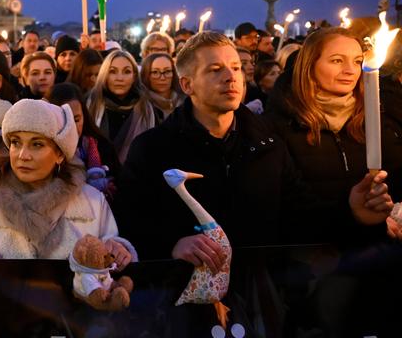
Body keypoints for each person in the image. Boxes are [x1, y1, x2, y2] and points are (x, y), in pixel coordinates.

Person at [115, 31, 393, 261]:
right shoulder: (153, 149)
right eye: (215, 70)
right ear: (187, 84)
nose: (231, 77)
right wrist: (171, 246)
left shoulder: (267, 144)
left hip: (261, 295)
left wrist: (351, 212)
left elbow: (300, 217)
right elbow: (130, 222)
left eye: (236, 68)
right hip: (183, 300)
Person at [0, 99, 137, 277]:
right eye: (15, 142)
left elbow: (112, 261)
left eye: (37, 144)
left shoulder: (93, 203)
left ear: (60, 154)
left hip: (74, 317)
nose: (23, 155)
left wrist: (117, 251)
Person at [264, 27, 402, 245]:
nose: (350, 70)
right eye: (337, 60)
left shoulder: (379, 117)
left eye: (357, 61)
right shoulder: (278, 126)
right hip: (315, 259)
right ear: (310, 65)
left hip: (382, 251)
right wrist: (352, 213)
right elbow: (282, 207)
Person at [46, 83, 121, 200]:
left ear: (84, 116)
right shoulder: (43, 151)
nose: (72, 127)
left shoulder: (102, 147)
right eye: (64, 119)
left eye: (76, 119)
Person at [86, 50, 157, 163]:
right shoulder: (90, 104)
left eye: (126, 71)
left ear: (134, 76)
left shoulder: (147, 108)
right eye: (113, 71)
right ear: (105, 74)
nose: (120, 78)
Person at [140, 52, 185, 121]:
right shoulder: (141, 105)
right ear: (146, 75)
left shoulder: (186, 100)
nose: (162, 78)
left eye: (167, 71)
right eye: (155, 72)